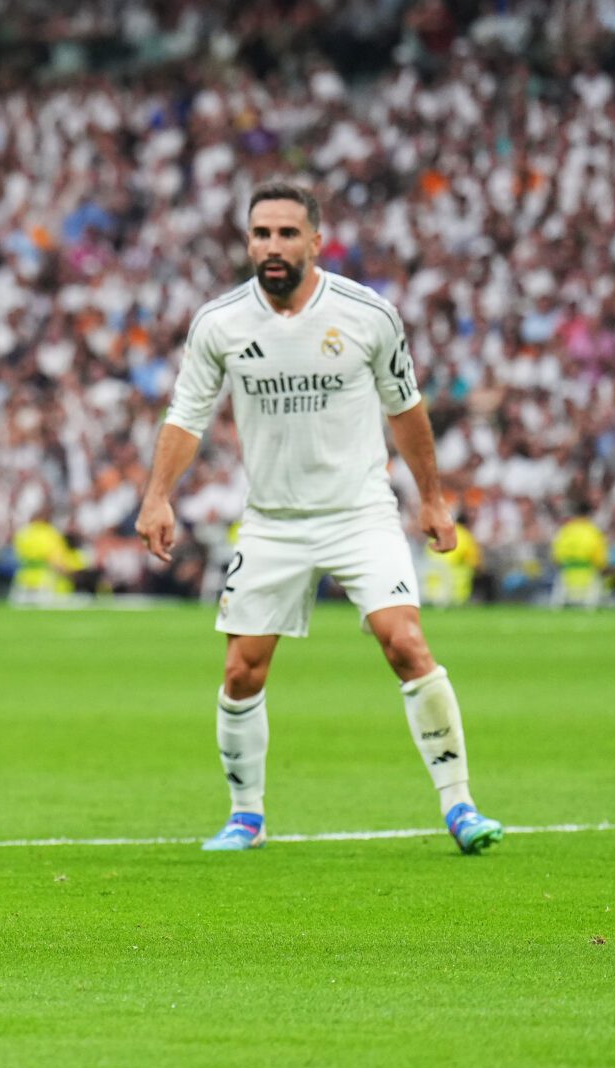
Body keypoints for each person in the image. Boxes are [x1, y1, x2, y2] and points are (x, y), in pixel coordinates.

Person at [135, 182, 503, 857]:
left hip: (359, 512)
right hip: (273, 521)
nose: (271, 247)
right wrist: (158, 494)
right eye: (260, 234)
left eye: (285, 233)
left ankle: (460, 805)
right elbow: (187, 414)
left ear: (315, 240)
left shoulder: (368, 314)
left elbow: (407, 408)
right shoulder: (220, 322)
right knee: (243, 669)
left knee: (406, 643)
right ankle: (246, 814)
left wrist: (433, 496)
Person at [551, 495, 610, 608]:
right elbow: (601, 560)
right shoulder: (593, 532)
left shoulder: (565, 530)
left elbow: (556, 556)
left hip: (566, 577)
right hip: (588, 577)